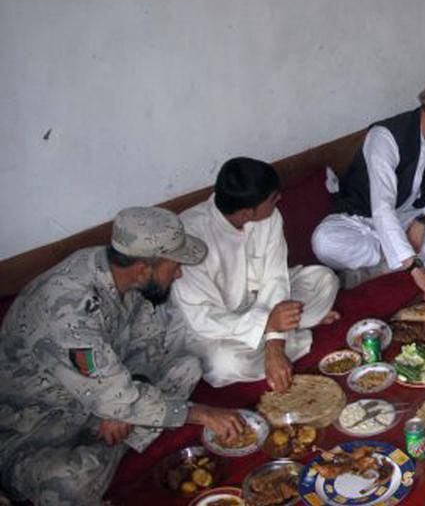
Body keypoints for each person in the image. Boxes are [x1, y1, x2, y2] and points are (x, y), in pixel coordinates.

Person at [0, 207, 246, 506]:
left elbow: (147, 343)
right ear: (144, 268)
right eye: (174, 265)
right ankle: (118, 445)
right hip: (38, 430)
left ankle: (122, 432)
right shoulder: (66, 309)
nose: (179, 273)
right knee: (69, 483)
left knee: (186, 367)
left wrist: (125, 395)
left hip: (101, 395)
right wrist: (202, 413)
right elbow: (109, 386)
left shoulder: (124, 273)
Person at [168, 157, 341, 392]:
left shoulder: (270, 216)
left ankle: (282, 336)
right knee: (224, 364)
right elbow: (203, 318)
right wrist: (269, 327)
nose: (279, 199)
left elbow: (275, 279)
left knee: (324, 280)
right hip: (216, 328)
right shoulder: (188, 236)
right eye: (272, 198)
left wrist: (272, 336)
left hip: (264, 306)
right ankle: (294, 334)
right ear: (247, 213)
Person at [311, 75, 425, 303]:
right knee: (324, 241)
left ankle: (378, 270)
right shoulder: (385, 137)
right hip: (361, 221)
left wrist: (422, 222)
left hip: (408, 219)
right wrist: (415, 268)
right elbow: (382, 208)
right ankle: (399, 262)